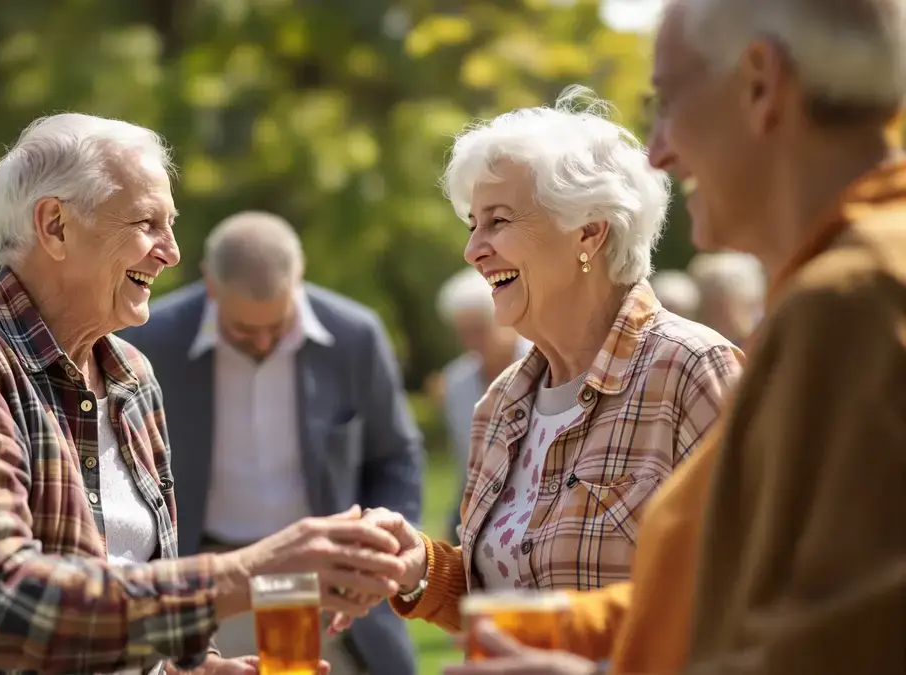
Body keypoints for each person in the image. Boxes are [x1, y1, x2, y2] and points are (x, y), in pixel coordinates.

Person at [0, 115, 402, 675]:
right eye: (147, 223)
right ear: (56, 226)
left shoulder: (131, 374)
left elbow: (122, 588)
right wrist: (248, 572)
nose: (172, 252)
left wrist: (193, 669)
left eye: (171, 224)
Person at [441, 1, 906, 673]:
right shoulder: (839, 289)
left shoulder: (852, 300)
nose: (657, 151)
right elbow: (716, 600)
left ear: (760, 83)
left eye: (667, 101)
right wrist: (510, 610)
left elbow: (842, 649)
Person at [333, 86, 744, 645]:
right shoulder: (500, 404)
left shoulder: (692, 370)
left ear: (589, 233)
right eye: (472, 224)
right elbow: (503, 602)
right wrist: (422, 569)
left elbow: (750, 593)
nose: (473, 249)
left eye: (498, 221)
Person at [119, 211, 423, 675]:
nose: (262, 342)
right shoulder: (148, 340)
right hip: (208, 578)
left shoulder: (356, 335)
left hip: (327, 579)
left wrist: (378, 550)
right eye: (244, 329)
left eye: (276, 327)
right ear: (211, 285)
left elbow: (395, 456)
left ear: (298, 280)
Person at [434, 267, 533, 541]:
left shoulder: (545, 364)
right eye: (464, 333)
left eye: (479, 330)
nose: (472, 342)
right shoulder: (457, 381)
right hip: (476, 504)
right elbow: (464, 460)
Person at [687, 251, 765, 344]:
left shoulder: (764, 338)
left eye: (718, 304)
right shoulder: (694, 342)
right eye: (707, 304)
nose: (711, 315)